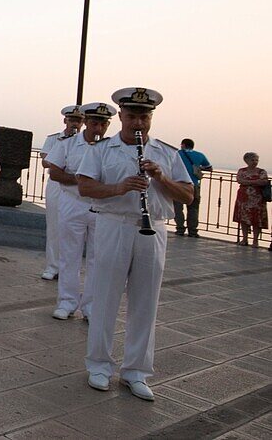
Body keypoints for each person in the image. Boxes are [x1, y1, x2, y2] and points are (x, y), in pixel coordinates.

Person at [77, 87, 193, 401]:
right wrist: (118, 188)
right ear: (122, 117)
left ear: (151, 118)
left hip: (152, 229)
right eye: (132, 116)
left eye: (144, 117)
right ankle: (99, 366)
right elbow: (85, 186)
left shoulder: (167, 153)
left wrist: (161, 179)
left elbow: (187, 195)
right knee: (105, 297)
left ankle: (136, 372)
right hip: (113, 224)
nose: (138, 123)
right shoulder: (101, 151)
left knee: (146, 302)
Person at [45, 102, 114, 321]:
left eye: (103, 124)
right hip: (72, 201)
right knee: (69, 254)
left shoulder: (111, 148)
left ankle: (91, 305)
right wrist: (80, 179)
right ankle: (67, 302)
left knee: (97, 257)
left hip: (100, 206)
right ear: (86, 122)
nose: (98, 128)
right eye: (94, 123)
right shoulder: (68, 144)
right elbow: (54, 172)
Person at [39, 106, 84, 280]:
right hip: (57, 185)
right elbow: (45, 162)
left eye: (78, 120)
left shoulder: (85, 142)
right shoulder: (54, 139)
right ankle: (52, 266)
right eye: (72, 120)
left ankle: (69, 269)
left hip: (76, 187)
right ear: (65, 120)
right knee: (54, 226)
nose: (75, 123)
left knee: (75, 229)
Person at [175, 139, 211, 236]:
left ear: (183, 145)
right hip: (194, 185)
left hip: (178, 184)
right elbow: (209, 167)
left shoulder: (176, 154)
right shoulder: (200, 155)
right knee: (193, 208)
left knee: (178, 208)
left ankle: (180, 229)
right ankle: (193, 231)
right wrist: (198, 168)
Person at [234, 153, 268, 247]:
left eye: (256, 160)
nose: (255, 162)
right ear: (247, 161)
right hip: (243, 198)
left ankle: (255, 240)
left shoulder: (261, 171)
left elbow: (264, 181)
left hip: (257, 199)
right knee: (243, 218)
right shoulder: (242, 170)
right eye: (252, 160)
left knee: (256, 219)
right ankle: (244, 239)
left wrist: (247, 182)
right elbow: (239, 180)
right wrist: (255, 182)